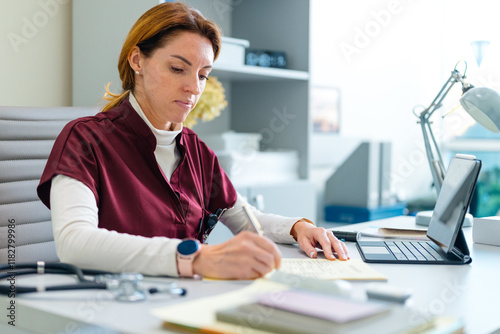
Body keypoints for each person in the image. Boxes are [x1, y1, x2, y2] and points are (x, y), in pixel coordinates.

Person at [37, 2, 349, 280]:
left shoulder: (196, 150)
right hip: (118, 302)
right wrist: (195, 258)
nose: (193, 88)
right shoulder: (85, 139)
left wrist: (299, 228)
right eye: (177, 69)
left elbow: (245, 220)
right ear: (137, 61)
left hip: (189, 299)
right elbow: (74, 243)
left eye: (203, 75)